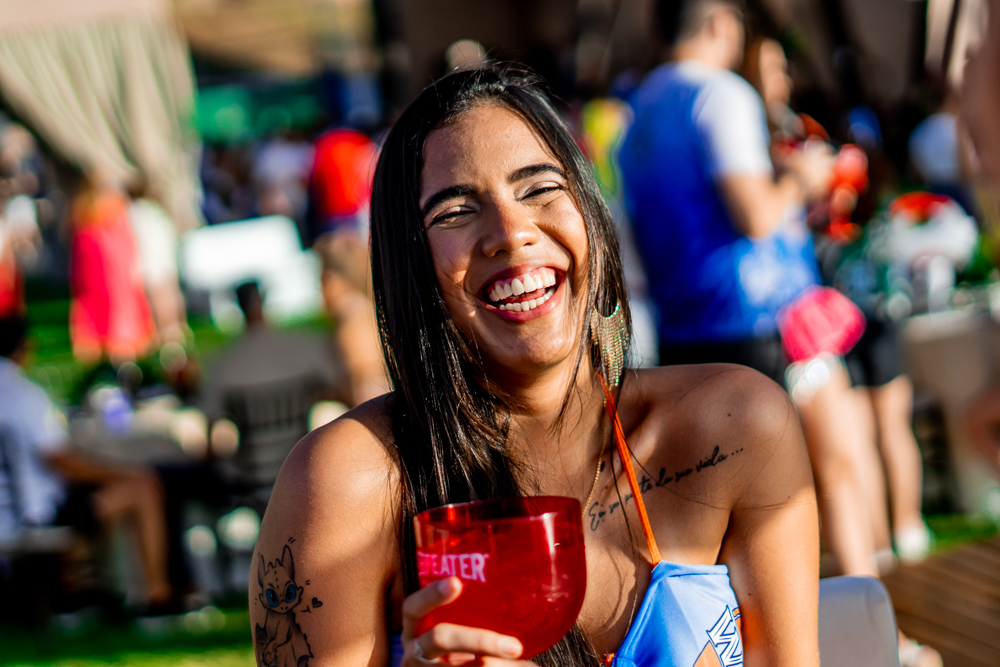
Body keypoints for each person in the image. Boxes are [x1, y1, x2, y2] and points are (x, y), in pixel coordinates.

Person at [250, 66, 819, 667]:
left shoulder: (734, 426)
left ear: (591, 214)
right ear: (408, 264)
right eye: (454, 212)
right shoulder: (348, 484)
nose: (512, 233)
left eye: (539, 188)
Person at [0, 315, 173, 609]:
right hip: (32, 516)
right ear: (23, 348)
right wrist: (119, 473)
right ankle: (157, 598)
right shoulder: (23, 394)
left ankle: (89, 588)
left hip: (12, 513)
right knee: (143, 487)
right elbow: (59, 458)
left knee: (96, 497)